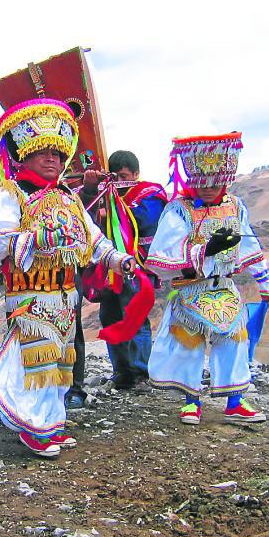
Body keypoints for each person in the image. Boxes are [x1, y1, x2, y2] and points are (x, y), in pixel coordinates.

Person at [0, 98, 136, 457]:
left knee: (62, 361)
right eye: (44, 152)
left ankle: (52, 422)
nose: (53, 160)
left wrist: (117, 259)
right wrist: (38, 240)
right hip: (30, 291)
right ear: (23, 154)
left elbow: (92, 238)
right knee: (38, 358)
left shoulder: (69, 198)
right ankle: (34, 427)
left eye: (59, 154)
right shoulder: (11, 194)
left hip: (65, 293)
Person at [145, 132, 269, 425]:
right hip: (192, 288)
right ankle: (191, 401)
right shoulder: (179, 210)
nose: (207, 189)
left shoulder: (235, 206)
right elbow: (161, 255)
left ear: (226, 179)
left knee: (234, 339)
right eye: (201, 183)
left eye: (215, 183)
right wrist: (205, 250)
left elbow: (249, 244)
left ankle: (235, 400)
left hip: (225, 286)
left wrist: (266, 282)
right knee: (189, 345)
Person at [80, 150, 167, 390]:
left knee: (135, 315)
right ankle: (122, 371)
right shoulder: (103, 195)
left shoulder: (149, 194)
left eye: (123, 176)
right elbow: (87, 220)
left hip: (136, 266)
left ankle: (141, 371)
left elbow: (145, 220)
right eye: (114, 177)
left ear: (136, 174)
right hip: (108, 267)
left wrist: (113, 209)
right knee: (109, 317)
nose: (118, 181)